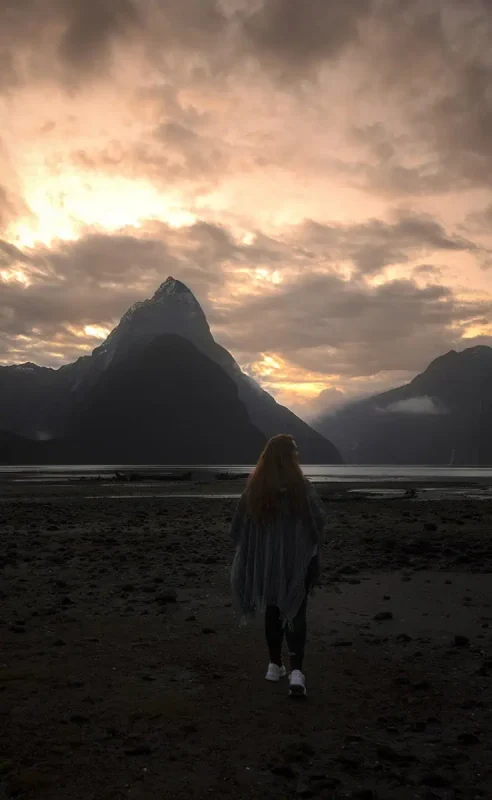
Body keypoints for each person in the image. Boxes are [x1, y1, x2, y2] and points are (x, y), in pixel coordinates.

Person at [229, 434, 327, 697]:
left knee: (273, 608)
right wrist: (310, 551)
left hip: (266, 563)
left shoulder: (256, 488)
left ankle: (274, 666)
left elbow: (238, 525)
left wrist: (258, 550)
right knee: (296, 609)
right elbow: (319, 520)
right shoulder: (301, 486)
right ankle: (296, 673)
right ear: (292, 456)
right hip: (298, 561)